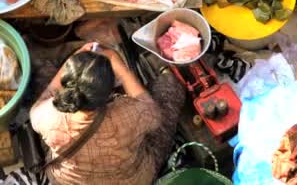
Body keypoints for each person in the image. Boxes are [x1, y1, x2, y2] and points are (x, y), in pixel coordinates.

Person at [29, 43, 185, 184]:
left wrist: (70, 61)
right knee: (169, 85)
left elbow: (44, 98)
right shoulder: (129, 114)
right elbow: (154, 115)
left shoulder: (48, 115)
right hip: (132, 180)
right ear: (110, 92)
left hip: (66, 181)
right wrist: (119, 67)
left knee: (42, 75)